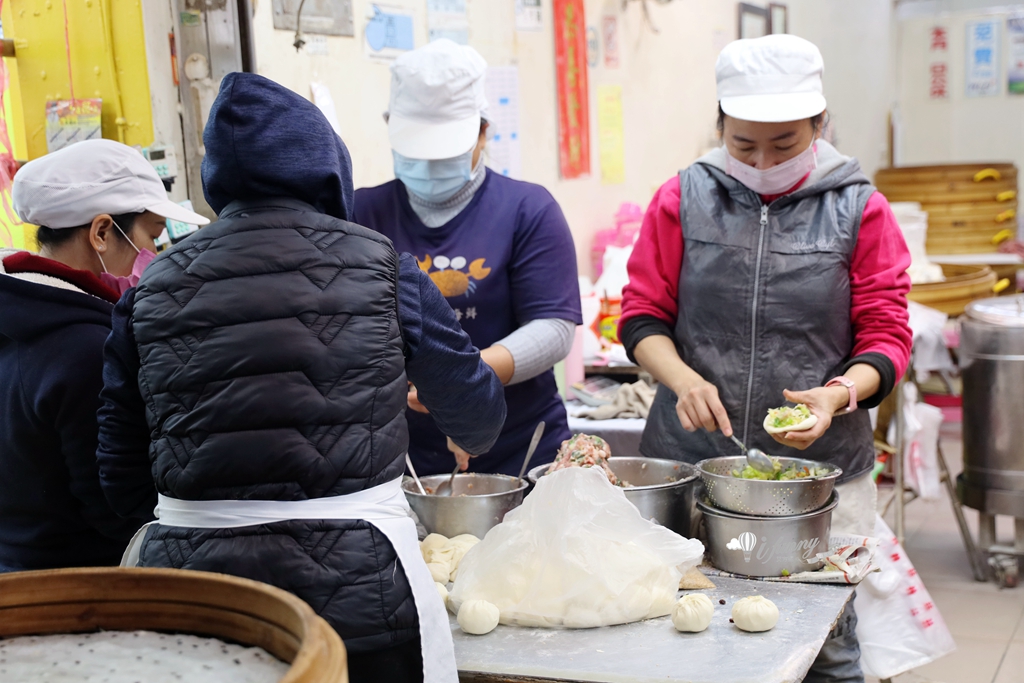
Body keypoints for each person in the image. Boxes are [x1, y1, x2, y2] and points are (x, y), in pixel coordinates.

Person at [96, 73, 506, 683]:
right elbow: (478, 416)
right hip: (360, 592)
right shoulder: (384, 268)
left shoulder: (148, 289)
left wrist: (195, 522)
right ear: (328, 169)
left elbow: (120, 467)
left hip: (195, 594)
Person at [619, 35, 912, 683]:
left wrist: (838, 394)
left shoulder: (859, 207)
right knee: (687, 632)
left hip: (817, 476)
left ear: (820, 124)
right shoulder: (683, 197)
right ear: (720, 125)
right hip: (695, 457)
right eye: (743, 143)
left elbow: (887, 336)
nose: (762, 160)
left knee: (826, 645)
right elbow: (641, 315)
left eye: (784, 143)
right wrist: (682, 376)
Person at [354, 39, 582, 477]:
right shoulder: (363, 212)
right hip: (399, 456)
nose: (430, 165)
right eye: (418, 152)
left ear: (483, 132)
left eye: (446, 152)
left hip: (520, 447)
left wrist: (463, 382)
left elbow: (553, 328)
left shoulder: (527, 209)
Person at [0, 139, 209, 573]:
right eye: (151, 236)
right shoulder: (84, 350)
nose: (156, 254)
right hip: (77, 586)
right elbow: (113, 506)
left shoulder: (19, 314)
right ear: (100, 232)